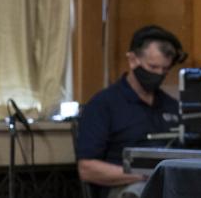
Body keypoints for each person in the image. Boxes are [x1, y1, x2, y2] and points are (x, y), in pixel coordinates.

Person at [76, 25, 187, 198]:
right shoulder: (103, 105)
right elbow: (87, 169)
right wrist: (145, 175)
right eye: (153, 68)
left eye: (164, 70)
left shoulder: (171, 105)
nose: (159, 74)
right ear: (133, 60)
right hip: (126, 187)